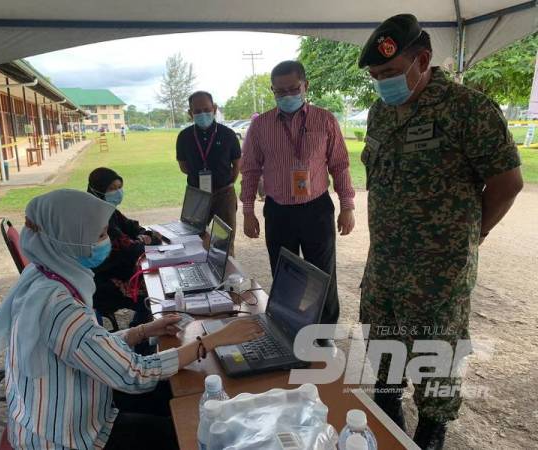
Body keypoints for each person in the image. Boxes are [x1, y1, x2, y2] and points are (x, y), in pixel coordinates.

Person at [0, 189, 264, 450]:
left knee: (175, 396)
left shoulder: (45, 278)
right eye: (100, 235)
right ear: (68, 238)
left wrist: (142, 330)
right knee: (190, 432)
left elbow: (88, 345)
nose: (106, 242)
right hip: (70, 438)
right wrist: (214, 339)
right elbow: (135, 374)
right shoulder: (59, 306)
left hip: (74, 408)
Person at [358, 14, 523, 450]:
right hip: (384, 274)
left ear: (424, 59)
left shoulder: (467, 110)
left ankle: (430, 440)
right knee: (384, 371)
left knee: (434, 381)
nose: (382, 83)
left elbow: (508, 183)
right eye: (376, 76)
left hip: (437, 280)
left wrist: (470, 238)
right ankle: (387, 436)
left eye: (390, 73)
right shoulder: (380, 112)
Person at [240, 60, 355, 326]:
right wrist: (248, 212)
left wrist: (347, 206)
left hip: (316, 208)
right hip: (279, 211)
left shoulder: (325, 119)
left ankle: (324, 337)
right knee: (284, 275)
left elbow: (339, 164)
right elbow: (250, 170)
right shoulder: (261, 126)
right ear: (272, 91)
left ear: (306, 86)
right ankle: (288, 330)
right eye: (280, 91)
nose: (287, 95)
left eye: (293, 89)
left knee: (323, 275)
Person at [87, 167, 159, 327]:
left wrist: (142, 235)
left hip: (116, 271)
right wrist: (149, 240)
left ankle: (139, 332)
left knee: (153, 285)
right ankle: (140, 339)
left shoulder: (109, 210)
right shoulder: (97, 217)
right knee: (152, 298)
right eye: (112, 189)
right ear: (97, 189)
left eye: (119, 187)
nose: (117, 192)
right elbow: (131, 250)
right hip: (101, 283)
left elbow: (132, 227)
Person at [176, 91, 241, 254]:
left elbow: (237, 165)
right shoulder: (184, 137)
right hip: (196, 195)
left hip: (224, 194)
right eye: (197, 111)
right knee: (192, 240)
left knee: (223, 242)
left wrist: (225, 183)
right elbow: (183, 167)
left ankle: (224, 277)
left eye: (206, 109)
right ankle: (196, 276)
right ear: (190, 113)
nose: (202, 114)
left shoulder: (228, 134)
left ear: (215, 108)